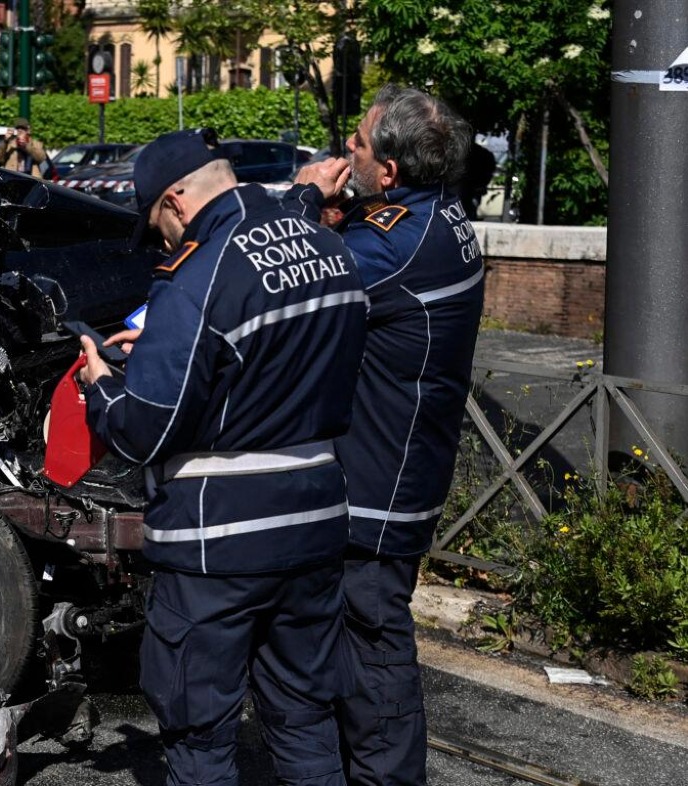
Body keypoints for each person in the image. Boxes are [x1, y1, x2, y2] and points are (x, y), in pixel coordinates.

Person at [77, 127, 368, 786]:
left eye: (157, 224)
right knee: (304, 720)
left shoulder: (194, 279)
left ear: (177, 201)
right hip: (318, 517)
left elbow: (144, 432)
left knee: (200, 735)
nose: (162, 241)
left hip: (218, 541)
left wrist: (102, 387)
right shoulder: (328, 247)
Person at [297, 84, 485, 786]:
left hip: (379, 491)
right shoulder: (436, 218)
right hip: (399, 473)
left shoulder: (396, 246)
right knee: (352, 651)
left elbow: (298, 280)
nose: (345, 149)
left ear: (391, 172)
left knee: (374, 662)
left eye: (358, 144)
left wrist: (305, 199)